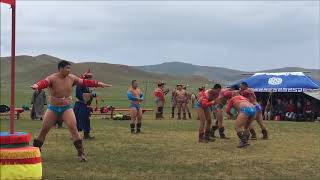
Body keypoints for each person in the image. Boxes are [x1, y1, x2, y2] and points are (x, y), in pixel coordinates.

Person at [31, 60, 111, 162]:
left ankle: (81, 154)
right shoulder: (52, 78)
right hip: (53, 108)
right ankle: (36, 151)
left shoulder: (71, 78)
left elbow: (85, 82)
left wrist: (99, 84)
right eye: (67, 68)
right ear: (61, 68)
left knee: (73, 128)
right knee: (44, 129)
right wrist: (37, 86)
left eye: (70, 68)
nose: (69, 70)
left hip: (66, 108)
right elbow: (44, 83)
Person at [74, 69, 96, 139]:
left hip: (85, 105)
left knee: (86, 120)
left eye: (90, 78)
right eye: (89, 77)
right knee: (78, 120)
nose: (90, 79)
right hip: (80, 105)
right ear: (86, 77)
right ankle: (75, 136)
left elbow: (88, 96)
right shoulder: (80, 84)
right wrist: (90, 95)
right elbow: (78, 94)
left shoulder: (87, 85)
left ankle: (86, 135)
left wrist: (92, 96)